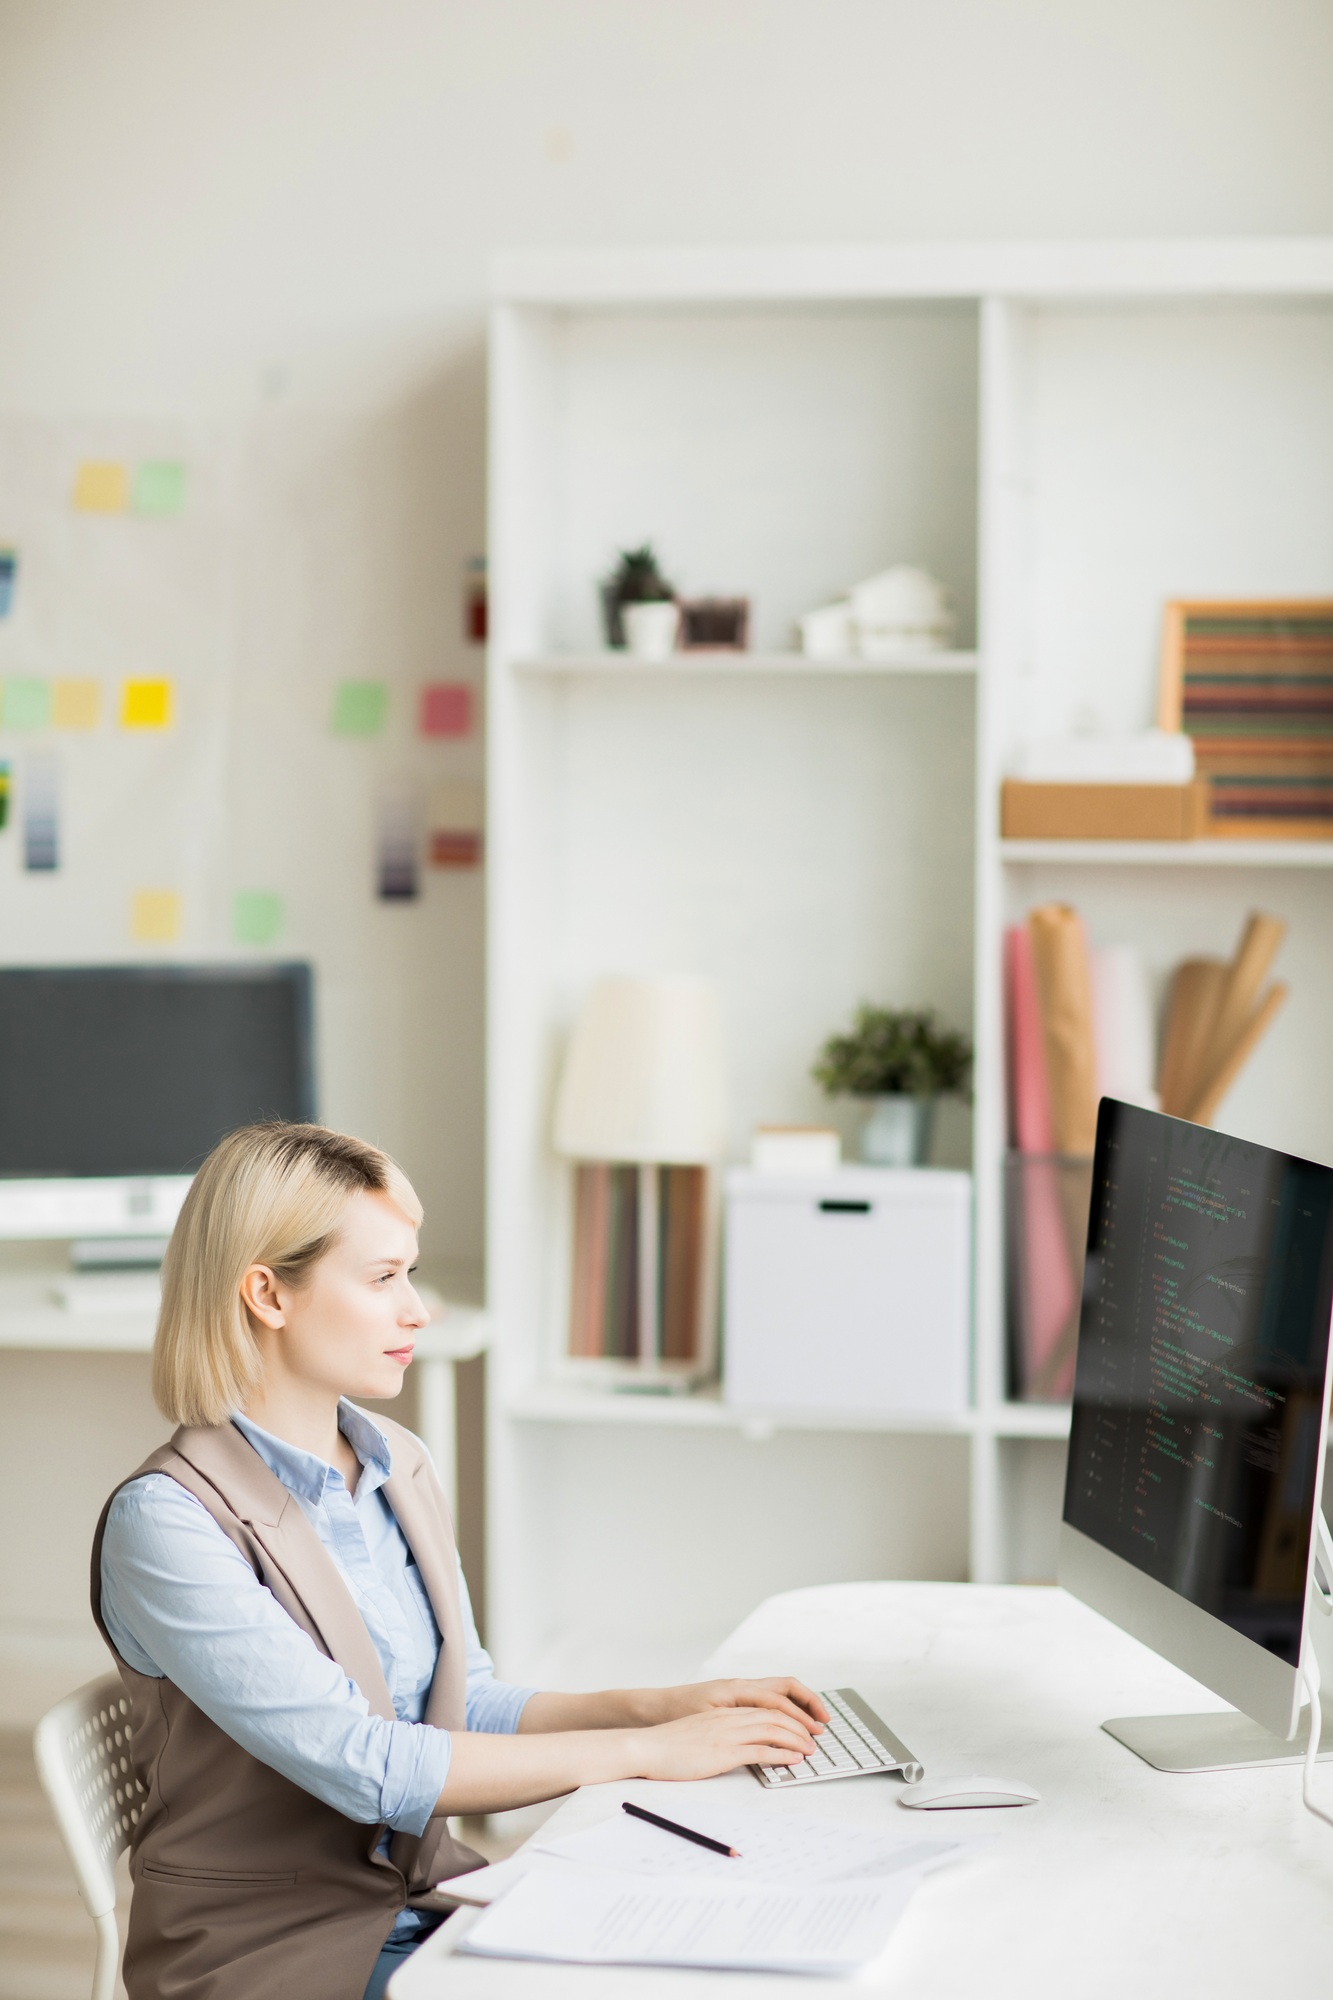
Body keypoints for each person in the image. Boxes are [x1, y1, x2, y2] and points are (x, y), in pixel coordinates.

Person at [95, 1122, 826, 2000]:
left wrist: (661, 1703)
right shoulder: (168, 1523)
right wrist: (647, 1749)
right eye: (382, 1278)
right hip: (269, 1949)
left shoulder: (395, 1463)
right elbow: (366, 1763)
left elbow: (461, 1700)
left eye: (410, 1271)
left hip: (430, 1900)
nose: (417, 1308)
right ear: (267, 1294)